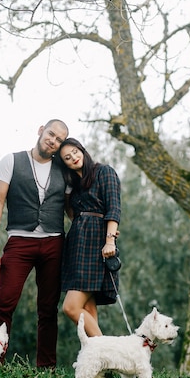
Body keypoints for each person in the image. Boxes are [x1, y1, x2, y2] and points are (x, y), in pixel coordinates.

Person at [0, 119, 69, 369]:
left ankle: (46, 368)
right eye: (51, 134)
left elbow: (72, 209)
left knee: (48, 309)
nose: (53, 141)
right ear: (41, 131)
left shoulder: (63, 170)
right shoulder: (11, 160)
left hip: (54, 244)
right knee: (3, 303)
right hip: (19, 242)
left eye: (59, 140)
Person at [58, 137, 121, 337]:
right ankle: (102, 365)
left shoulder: (104, 172)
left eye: (75, 152)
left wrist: (110, 240)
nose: (73, 158)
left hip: (96, 243)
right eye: (67, 158)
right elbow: (70, 212)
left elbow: (114, 208)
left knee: (71, 307)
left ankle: (106, 353)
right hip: (76, 243)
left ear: (82, 150)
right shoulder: (75, 185)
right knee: (88, 309)